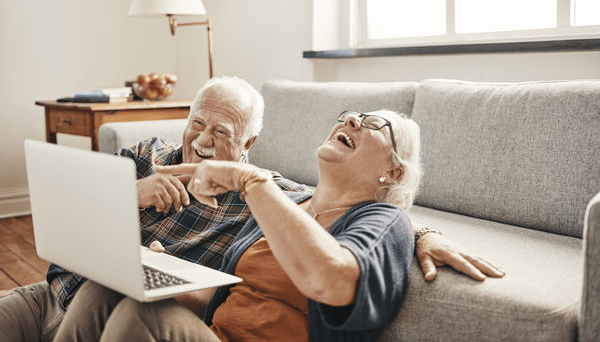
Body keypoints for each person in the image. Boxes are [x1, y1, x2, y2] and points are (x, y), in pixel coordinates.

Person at [0, 77, 504, 341]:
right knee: (107, 293)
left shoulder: (266, 195)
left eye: (223, 132)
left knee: (136, 310)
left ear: (249, 143)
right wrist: (147, 238)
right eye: (198, 123)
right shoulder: (146, 160)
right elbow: (229, 295)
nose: (203, 139)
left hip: (145, 323)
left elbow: (358, 237)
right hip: (56, 292)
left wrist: (422, 233)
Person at [54, 109, 422, 341]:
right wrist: (164, 278)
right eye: (349, 115)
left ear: (392, 171)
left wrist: (249, 180)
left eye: (375, 123)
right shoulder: (292, 202)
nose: (351, 120)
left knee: (143, 317)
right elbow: (228, 299)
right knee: (106, 289)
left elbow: (330, 279)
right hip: (213, 334)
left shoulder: (384, 220)